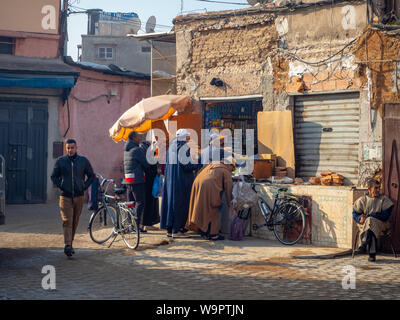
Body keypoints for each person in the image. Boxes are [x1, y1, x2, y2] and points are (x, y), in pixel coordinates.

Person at [51, 139, 95, 257]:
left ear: (76, 148)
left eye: (72, 148)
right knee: (67, 220)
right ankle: (68, 245)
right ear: (66, 149)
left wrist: (84, 187)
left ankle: (70, 244)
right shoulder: (61, 161)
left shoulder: (83, 161)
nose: (70, 150)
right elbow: (54, 177)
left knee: (75, 221)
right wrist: (62, 186)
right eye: (68, 148)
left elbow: (91, 175)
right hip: (65, 196)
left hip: (79, 196)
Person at [160, 128, 198, 238]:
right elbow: (186, 165)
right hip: (181, 181)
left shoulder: (170, 147)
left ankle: (170, 229)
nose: (188, 139)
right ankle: (177, 230)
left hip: (170, 181)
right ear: (184, 137)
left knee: (170, 203)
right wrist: (195, 163)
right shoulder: (183, 147)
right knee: (180, 204)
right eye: (188, 137)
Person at [186, 157, 235, 241]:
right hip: (209, 188)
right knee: (213, 208)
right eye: (232, 168)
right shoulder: (225, 170)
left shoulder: (212, 164)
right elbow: (229, 190)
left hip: (197, 184)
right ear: (229, 164)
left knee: (200, 208)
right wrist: (231, 205)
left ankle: (202, 230)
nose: (232, 170)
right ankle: (213, 234)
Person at [353, 178, 394, 262]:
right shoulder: (362, 200)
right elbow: (355, 213)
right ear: (369, 189)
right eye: (376, 188)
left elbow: (385, 216)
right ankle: (372, 253)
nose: (378, 190)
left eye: (379, 187)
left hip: (382, 225)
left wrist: (368, 216)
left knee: (370, 221)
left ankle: (364, 244)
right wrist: (359, 218)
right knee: (370, 224)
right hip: (365, 225)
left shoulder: (383, 199)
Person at [124, 131, 149, 233]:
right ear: (134, 138)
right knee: (140, 202)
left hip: (128, 179)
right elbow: (146, 164)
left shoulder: (126, 150)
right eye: (138, 137)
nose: (140, 139)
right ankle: (136, 226)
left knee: (130, 203)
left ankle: (129, 225)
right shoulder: (137, 150)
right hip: (137, 180)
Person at [140, 139, 160, 230]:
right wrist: (156, 149)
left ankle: (145, 223)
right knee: (149, 201)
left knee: (146, 202)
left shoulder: (141, 148)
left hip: (145, 180)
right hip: (149, 179)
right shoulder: (147, 150)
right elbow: (154, 161)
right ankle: (147, 224)